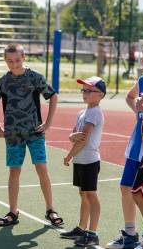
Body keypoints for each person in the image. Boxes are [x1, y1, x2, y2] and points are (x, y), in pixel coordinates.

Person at [0, 43, 64, 227]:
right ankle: (13, 211)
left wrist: (48, 123)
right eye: (10, 61)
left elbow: (53, 96)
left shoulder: (34, 77)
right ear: (5, 61)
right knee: (14, 171)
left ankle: (50, 210)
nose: (13, 64)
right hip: (13, 135)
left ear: (24, 58)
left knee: (41, 169)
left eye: (17, 60)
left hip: (35, 133)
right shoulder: (3, 82)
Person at [106, 44, 143, 249]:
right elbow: (130, 97)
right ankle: (130, 234)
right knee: (126, 187)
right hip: (136, 142)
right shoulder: (142, 80)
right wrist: (137, 110)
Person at [60, 76, 106, 247]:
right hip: (81, 160)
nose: (85, 93)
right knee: (83, 194)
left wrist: (69, 155)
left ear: (100, 94)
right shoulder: (82, 112)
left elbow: (83, 139)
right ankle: (81, 228)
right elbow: (74, 136)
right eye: (84, 90)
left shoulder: (94, 113)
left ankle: (92, 233)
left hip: (89, 161)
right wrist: (72, 137)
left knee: (91, 195)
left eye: (89, 90)